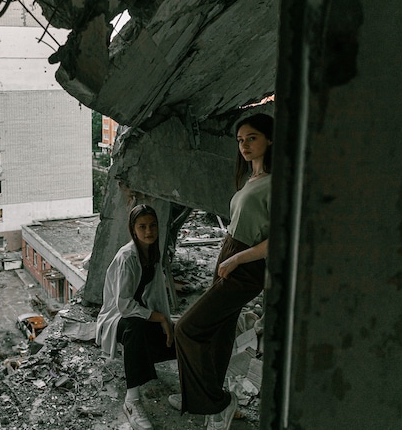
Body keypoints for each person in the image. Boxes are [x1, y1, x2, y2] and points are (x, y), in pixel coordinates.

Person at [174, 113, 274, 430]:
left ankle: (215, 401)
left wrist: (236, 259)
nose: (244, 145)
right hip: (231, 253)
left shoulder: (277, 183)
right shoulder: (251, 179)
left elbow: (279, 241)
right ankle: (206, 399)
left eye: (252, 138)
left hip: (245, 265)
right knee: (219, 332)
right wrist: (227, 251)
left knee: (187, 328)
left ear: (270, 139)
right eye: (240, 140)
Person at [96, 204, 175, 430]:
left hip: (139, 310)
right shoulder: (128, 257)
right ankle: (131, 400)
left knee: (178, 335)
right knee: (136, 329)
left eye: (152, 226)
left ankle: (193, 394)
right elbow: (123, 305)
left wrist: (166, 322)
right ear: (133, 229)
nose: (148, 231)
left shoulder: (153, 252)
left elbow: (157, 294)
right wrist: (158, 318)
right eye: (142, 227)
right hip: (117, 316)